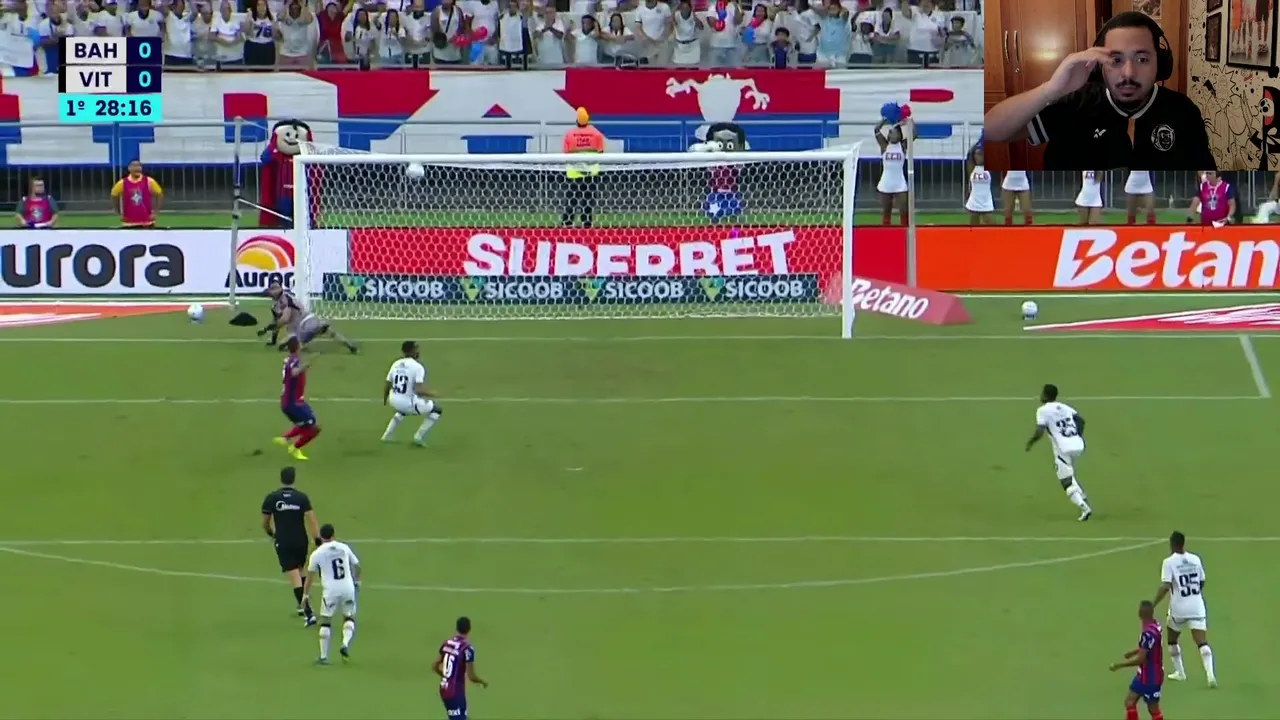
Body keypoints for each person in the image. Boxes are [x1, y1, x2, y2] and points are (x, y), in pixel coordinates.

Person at [983, 11, 1214, 170]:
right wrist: (1051, 89)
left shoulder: (1183, 112)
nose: (1128, 73)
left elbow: (1205, 185)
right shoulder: (1073, 104)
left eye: (1142, 59)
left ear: (1160, 64)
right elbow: (990, 130)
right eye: (1115, 60)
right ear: (1098, 66)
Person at [1153, 531, 1216, 687]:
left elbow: (1165, 585)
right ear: (1183, 543)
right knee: (1202, 642)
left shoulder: (1169, 562)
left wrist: (1153, 604)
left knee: (1172, 639)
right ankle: (1210, 675)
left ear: (1172, 544)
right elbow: (1202, 581)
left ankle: (1180, 672)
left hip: (1179, 608)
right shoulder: (1195, 559)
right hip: (1197, 606)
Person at [260, 466, 321, 626]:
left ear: (281, 479)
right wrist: (317, 539)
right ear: (294, 479)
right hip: (301, 540)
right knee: (300, 571)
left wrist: (271, 533)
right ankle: (302, 605)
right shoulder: (301, 498)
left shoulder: (272, 498)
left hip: (284, 541)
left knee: (294, 576)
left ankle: (308, 613)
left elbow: (265, 522)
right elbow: (312, 519)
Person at [1025, 383, 1092, 521]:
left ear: (1045, 395)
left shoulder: (1042, 410)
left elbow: (1040, 430)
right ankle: (1082, 496)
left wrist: (1031, 442)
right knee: (1069, 471)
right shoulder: (1065, 407)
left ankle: (1084, 508)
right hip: (1078, 445)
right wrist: (1076, 435)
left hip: (1063, 449)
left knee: (1065, 481)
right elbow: (1080, 420)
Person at [302, 523, 360, 664]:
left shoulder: (317, 554)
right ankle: (345, 644)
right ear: (333, 535)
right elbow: (357, 566)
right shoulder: (344, 547)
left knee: (326, 622)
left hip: (331, 591)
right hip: (348, 588)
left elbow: (310, 577)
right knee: (348, 617)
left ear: (321, 537)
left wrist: (305, 595)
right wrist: (357, 582)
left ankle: (323, 657)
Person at [264, 282, 359, 354]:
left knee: (284, 345)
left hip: (305, 325)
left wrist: (270, 328)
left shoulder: (284, 302)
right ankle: (349, 345)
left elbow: (284, 320)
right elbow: (278, 320)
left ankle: (301, 344)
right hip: (312, 318)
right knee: (331, 333)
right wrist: (272, 334)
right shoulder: (286, 299)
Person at [1108, 601, 1165, 720]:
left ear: (1140, 614)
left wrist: (1119, 665)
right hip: (1143, 674)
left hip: (1152, 676)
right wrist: (1133, 652)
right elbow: (1150, 646)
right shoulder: (1156, 626)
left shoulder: (1147, 634)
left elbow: (1140, 659)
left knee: (1153, 709)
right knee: (1130, 701)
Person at [382, 340, 443, 445]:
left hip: (393, 399)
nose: (418, 351)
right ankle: (418, 437)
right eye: (416, 349)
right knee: (437, 410)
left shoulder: (396, 363)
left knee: (402, 410)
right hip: (407, 402)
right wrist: (433, 393)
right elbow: (419, 390)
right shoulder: (418, 367)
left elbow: (387, 383)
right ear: (412, 351)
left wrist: (385, 399)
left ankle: (386, 435)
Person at [274, 337, 322, 461]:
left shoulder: (289, 359)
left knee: (308, 423)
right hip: (293, 403)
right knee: (314, 427)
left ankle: (285, 438)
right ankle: (295, 448)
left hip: (293, 400)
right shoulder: (294, 360)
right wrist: (305, 366)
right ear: (297, 346)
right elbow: (294, 373)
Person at [435, 616, 488, 720]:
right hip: (454, 692)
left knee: (462, 716)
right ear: (469, 629)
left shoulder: (447, 644)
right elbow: (471, 676)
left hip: (445, 688)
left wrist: (446, 676)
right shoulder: (467, 649)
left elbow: (435, 666)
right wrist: (482, 682)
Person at [561, 106, 604, 228]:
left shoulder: (569, 135)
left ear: (577, 120)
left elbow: (566, 153)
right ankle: (587, 223)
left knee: (571, 199)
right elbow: (601, 152)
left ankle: (567, 222)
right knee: (588, 200)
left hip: (574, 173)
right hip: (591, 173)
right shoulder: (597, 134)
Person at [874, 119, 912, 225]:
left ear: (899, 135)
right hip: (886, 182)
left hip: (900, 182)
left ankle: (905, 230)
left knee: (904, 210)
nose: (892, 135)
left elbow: (914, 134)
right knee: (886, 211)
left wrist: (910, 121)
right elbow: (876, 129)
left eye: (894, 132)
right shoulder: (884, 145)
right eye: (890, 133)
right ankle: (886, 231)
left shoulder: (902, 146)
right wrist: (885, 119)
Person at [110, 159, 162, 228]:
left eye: (138, 166)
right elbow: (113, 195)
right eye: (134, 166)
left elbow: (159, 194)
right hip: (129, 223)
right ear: (129, 168)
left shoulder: (149, 181)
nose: (136, 168)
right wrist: (118, 212)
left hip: (147, 223)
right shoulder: (122, 182)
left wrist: (155, 212)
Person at [963, 144, 993, 224]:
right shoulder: (972, 167)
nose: (978, 156)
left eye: (980, 154)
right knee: (974, 227)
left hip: (986, 201)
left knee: (991, 226)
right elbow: (969, 154)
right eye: (976, 154)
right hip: (974, 201)